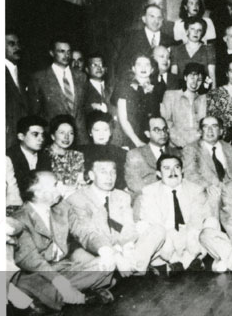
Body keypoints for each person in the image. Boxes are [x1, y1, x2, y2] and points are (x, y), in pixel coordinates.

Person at [12, 171, 116, 311]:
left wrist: (104, 250)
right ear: (39, 193)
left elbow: (84, 231)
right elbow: (31, 260)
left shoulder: (62, 207)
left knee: (107, 265)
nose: (61, 187)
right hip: (38, 273)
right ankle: (78, 294)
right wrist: (59, 281)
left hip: (64, 267)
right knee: (28, 282)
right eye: (55, 184)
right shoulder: (19, 218)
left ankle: (48, 299)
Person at [68, 157, 166, 277]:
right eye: (103, 172)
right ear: (92, 175)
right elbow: (88, 234)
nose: (109, 177)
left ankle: (130, 268)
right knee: (96, 260)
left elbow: (129, 226)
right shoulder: (77, 199)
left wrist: (126, 247)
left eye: (112, 172)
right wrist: (114, 254)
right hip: (96, 250)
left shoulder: (122, 196)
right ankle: (132, 268)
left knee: (157, 230)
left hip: (122, 248)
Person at [138, 155, 217, 274]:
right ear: (158, 173)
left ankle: (179, 264)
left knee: (211, 222)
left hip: (189, 237)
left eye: (176, 167)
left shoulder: (195, 189)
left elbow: (197, 219)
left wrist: (189, 234)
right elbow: (155, 221)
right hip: (166, 239)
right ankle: (186, 262)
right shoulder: (149, 192)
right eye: (166, 168)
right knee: (143, 226)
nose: (172, 172)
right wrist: (172, 238)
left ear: (182, 171)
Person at [30, 39, 88, 144]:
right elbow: (35, 112)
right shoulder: (40, 78)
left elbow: (84, 108)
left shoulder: (81, 77)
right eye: (61, 51)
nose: (66, 55)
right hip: (53, 138)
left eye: (68, 52)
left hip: (80, 138)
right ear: (51, 53)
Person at [181, 116, 232, 212]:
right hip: (207, 194)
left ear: (221, 131)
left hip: (231, 194)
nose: (210, 130)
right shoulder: (191, 149)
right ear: (200, 131)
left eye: (214, 126)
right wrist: (208, 186)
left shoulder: (228, 148)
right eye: (205, 127)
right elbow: (189, 175)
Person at [114, 3, 175, 79]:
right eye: (152, 16)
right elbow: (122, 65)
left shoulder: (170, 40)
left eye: (159, 17)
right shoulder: (131, 38)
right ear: (144, 19)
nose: (156, 21)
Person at [124, 116, 181, 196]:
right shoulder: (135, 154)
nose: (162, 133)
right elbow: (134, 183)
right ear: (147, 134)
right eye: (157, 130)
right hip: (147, 198)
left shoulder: (177, 153)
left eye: (164, 129)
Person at [115, 53, 161, 148]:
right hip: (130, 138)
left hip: (152, 139)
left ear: (152, 69)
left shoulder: (156, 89)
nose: (143, 68)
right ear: (133, 68)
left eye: (147, 64)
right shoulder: (124, 88)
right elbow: (123, 119)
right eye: (139, 64)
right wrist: (137, 142)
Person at [160, 62, 208, 148]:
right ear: (185, 77)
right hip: (175, 146)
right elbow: (165, 122)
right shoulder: (171, 95)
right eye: (192, 77)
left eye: (199, 80)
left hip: (199, 146)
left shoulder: (204, 99)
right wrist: (180, 142)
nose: (195, 83)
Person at [80, 111, 127, 190]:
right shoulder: (81, 152)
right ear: (90, 132)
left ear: (110, 132)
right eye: (97, 130)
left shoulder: (120, 153)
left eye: (105, 130)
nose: (101, 134)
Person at [39, 114, 86, 194]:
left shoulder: (77, 155)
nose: (67, 137)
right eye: (62, 133)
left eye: (71, 133)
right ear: (53, 136)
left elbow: (81, 182)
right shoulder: (43, 155)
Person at [170, 16, 216, 89]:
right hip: (181, 91)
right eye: (192, 29)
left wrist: (213, 95)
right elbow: (173, 77)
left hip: (202, 91)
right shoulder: (176, 50)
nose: (196, 32)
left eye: (199, 30)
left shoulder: (208, 50)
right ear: (187, 31)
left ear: (202, 33)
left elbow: (212, 75)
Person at [7, 115, 48, 196]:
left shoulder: (45, 157)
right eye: (35, 134)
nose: (41, 139)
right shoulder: (9, 157)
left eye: (42, 135)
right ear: (21, 136)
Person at [6, 31, 30, 146]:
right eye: (11, 44)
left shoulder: (23, 74)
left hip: (21, 138)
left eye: (18, 43)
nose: (17, 47)